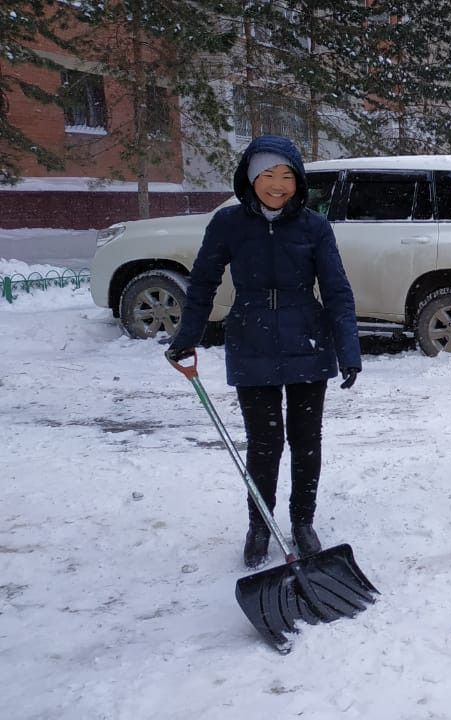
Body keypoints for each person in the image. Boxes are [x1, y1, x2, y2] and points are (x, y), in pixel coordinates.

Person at [164, 135, 361, 569]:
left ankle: (303, 521)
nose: (278, 185)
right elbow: (202, 284)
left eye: (287, 176)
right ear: (251, 178)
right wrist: (187, 335)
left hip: (307, 339)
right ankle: (259, 523)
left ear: (298, 181)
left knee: (306, 441)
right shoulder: (228, 225)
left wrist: (348, 347)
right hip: (250, 338)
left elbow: (336, 290)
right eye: (268, 175)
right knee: (264, 442)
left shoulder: (314, 226)